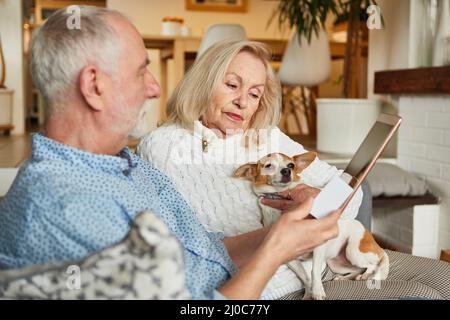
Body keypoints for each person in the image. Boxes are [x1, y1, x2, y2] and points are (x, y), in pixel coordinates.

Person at [0, 6, 340, 300]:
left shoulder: (124, 163)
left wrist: (281, 233)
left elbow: (202, 247)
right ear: (94, 87)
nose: (155, 87)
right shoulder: (68, 207)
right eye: (140, 72)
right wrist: (276, 250)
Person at [137, 40, 450, 300]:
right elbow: (194, 252)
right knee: (423, 296)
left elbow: (347, 192)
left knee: (444, 277)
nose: (243, 102)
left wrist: (318, 200)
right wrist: (288, 236)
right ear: (204, 82)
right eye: (232, 85)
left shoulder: (264, 136)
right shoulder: (165, 147)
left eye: (255, 94)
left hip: (326, 259)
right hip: (278, 286)